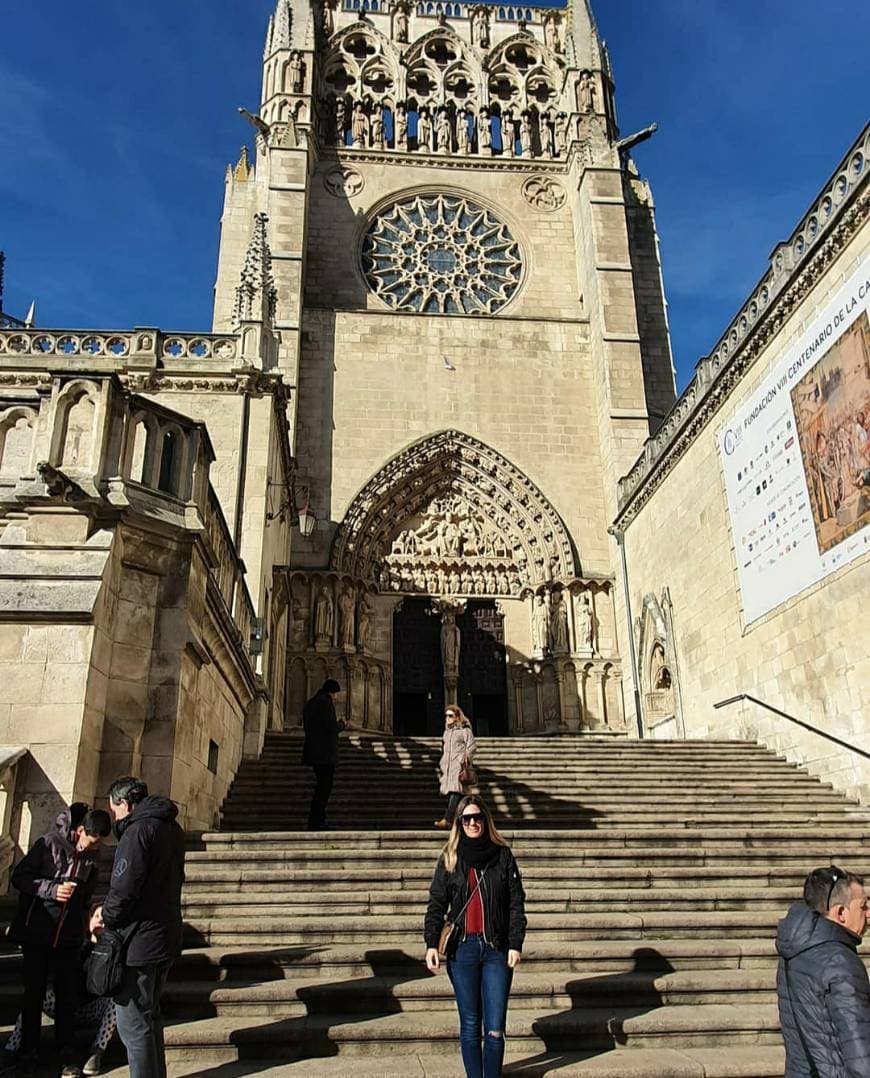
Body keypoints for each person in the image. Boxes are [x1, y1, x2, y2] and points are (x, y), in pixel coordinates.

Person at [424, 795, 526, 1078]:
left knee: (494, 1028)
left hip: (496, 948)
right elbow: (436, 903)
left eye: (477, 818)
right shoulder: (451, 856)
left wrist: (515, 943)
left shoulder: (502, 855)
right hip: (463, 949)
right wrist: (431, 942)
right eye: (466, 819)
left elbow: (516, 902)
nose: (472, 823)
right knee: (470, 1024)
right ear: (459, 823)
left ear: (486, 820)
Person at [8, 804, 112, 1078]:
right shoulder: (48, 844)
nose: (94, 847)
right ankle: (27, 1053)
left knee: (67, 998)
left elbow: (87, 896)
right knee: (33, 996)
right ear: (79, 831)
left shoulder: (92, 858)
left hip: (67, 937)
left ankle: (66, 1056)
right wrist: (52, 889)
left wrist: (83, 928)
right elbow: (19, 877)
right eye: (92, 841)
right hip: (38, 932)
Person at [91, 778, 185, 1078]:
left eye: (115, 809)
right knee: (149, 1018)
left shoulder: (138, 830)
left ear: (126, 804)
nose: (115, 816)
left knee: (133, 1025)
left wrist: (103, 915)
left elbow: (124, 888)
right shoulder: (171, 828)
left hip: (138, 941)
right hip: (165, 934)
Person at [776, 865, 870, 1076]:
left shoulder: (795, 950)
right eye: (863, 906)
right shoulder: (840, 961)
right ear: (840, 912)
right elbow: (860, 1052)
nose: (868, 914)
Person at [3, 976, 117, 1077]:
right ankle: (12, 1047)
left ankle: (97, 1050)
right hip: (63, 1005)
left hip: (93, 1006)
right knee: (34, 992)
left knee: (117, 1001)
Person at [302, 678, 345, 831]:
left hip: (314, 751)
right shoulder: (325, 703)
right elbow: (331, 727)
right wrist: (342, 724)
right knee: (324, 787)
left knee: (322, 786)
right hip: (324, 754)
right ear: (331, 692)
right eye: (336, 694)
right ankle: (317, 821)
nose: (336, 698)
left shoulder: (311, 702)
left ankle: (317, 820)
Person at [434, 706, 476, 830]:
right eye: (446, 715)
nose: (447, 718)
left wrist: (466, 758)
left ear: (457, 717)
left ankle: (447, 819)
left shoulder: (465, 730)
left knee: (455, 791)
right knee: (457, 794)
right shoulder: (446, 732)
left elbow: (472, 746)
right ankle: (461, 820)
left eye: (450, 715)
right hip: (447, 767)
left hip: (458, 766)